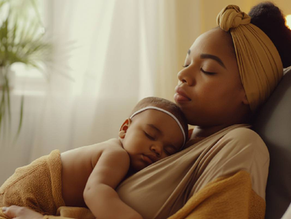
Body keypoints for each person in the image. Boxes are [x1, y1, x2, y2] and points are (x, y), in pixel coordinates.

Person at [3, 1, 291, 219]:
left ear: (247, 92)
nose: (183, 75)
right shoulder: (178, 139)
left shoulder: (240, 147)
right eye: (186, 62)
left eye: (207, 70)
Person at [0, 97, 188, 219]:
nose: (157, 149)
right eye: (149, 134)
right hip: (23, 195)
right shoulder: (117, 154)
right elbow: (94, 191)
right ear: (124, 128)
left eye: (169, 150)